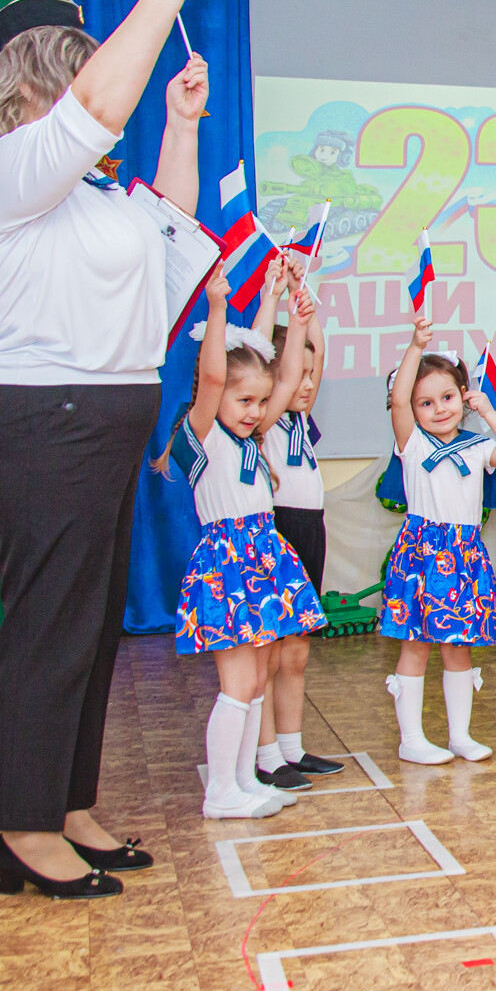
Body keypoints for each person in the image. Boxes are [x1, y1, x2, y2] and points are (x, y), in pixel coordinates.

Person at [0, 0, 211, 899]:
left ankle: (63, 806)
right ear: (36, 79)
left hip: (101, 423)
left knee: (90, 627)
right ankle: (23, 828)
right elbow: (89, 120)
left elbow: (173, 235)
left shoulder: (98, 198)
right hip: (42, 422)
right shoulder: (2, 174)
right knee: (50, 627)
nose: (93, 79)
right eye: (77, 63)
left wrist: (180, 128)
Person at [158, 263, 328, 819]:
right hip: (227, 564)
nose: (256, 412)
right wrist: (216, 309)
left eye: (260, 402)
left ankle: (243, 780)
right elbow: (213, 378)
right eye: (244, 402)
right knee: (236, 683)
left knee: (256, 679)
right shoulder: (203, 434)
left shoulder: (252, 437)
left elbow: (284, 378)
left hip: (264, 557)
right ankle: (220, 792)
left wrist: (296, 322)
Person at [381, 314, 496, 764]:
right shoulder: (412, 444)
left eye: (447, 397)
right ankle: (411, 740)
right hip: (421, 553)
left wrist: (487, 412)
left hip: (463, 554)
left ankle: (460, 736)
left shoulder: (477, 445)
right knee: (415, 644)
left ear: (462, 396)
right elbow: (398, 402)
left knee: (458, 646)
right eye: (425, 403)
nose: (439, 409)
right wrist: (415, 346)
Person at [253, 264, 344, 790]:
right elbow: (263, 356)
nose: (307, 383)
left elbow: (318, 353)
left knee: (296, 650)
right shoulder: (262, 420)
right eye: (297, 374)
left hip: (310, 531)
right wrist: (277, 300)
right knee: (267, 652)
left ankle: (291, 747)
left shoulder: (301, 421)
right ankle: (265, 755)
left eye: (311, 376)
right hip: (276, 530)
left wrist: (303, 297)